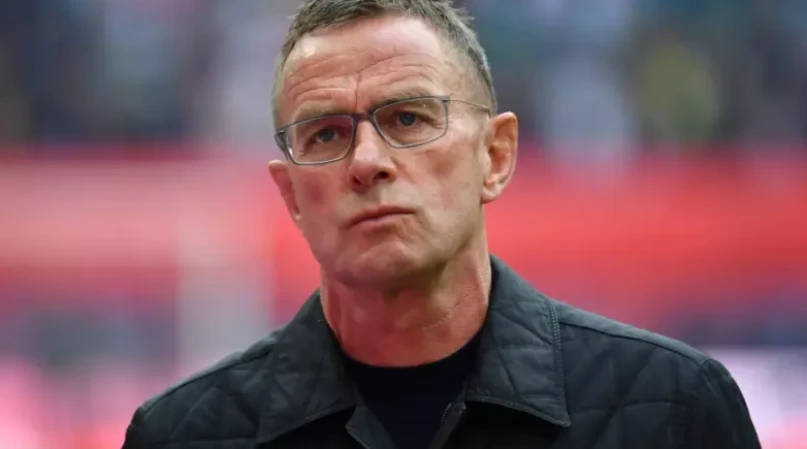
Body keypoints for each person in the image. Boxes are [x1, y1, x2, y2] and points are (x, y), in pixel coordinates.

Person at [121, 1, 761, 448]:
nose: (366, 163)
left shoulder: (675, 409)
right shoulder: (181, 436)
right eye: (326, 135)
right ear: (291, 195)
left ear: (495, 155)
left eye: (408, 119)